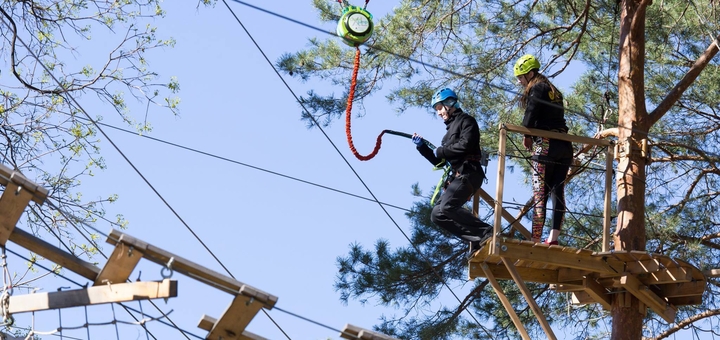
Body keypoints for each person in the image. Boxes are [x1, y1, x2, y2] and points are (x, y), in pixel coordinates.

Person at [412, 88, 492, 259]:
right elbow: (440, 162)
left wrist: (443, 151)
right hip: (458, 175)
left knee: (447, 207)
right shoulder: (447, 135)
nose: (439, 113)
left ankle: (487, 231)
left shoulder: (467, 121)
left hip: (469, 173)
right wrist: (423, 148)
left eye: (440, 108)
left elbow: (466, 145)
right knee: (437, 214)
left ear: (450, 103)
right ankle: (476, 237)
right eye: (436, 110)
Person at [513, 54, 573, 245]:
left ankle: (536, 240)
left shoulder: (537, 87)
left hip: (546, 145)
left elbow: (532, 111)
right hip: (564, 145)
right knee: (557, 191)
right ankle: (553, 239)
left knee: (540, 193)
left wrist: (526, 134)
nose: (520, 82)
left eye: (521, 77)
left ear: (530, 73)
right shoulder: (554, 90)